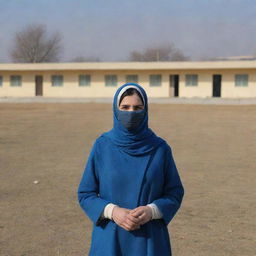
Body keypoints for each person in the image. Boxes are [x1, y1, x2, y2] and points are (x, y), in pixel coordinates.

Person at [77, 83, 184, 256]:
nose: (131, 113)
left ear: (145, 110)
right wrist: (113, 212)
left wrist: (152, 211)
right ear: (115, 109)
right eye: (125, 107)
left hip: (150, 240)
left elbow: (174, 193)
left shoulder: (160, 148)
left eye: (137, 108)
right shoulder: (102, 146)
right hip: (109, 239)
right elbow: (85, 194)